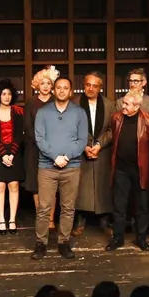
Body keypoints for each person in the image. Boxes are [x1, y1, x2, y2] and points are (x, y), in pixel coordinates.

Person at [33, 77, 88, 260]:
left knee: (68, 207)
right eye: (58, 87)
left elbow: (82, 140)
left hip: (71, 167)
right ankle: (41, 243)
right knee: (44, 207)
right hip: (47, 167)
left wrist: (66, 157)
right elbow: (40, 139)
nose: (62, 90)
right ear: (53, 90)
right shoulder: (43, 112)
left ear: (70, 92)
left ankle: (64, 242)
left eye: (65, 88)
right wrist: (54, 157)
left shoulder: (79, 113)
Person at [106, 92, 149, 252]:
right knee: (119, 205)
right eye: (123, 103)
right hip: (121, 169)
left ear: (137, 106)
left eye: (127, 104)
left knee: (141, 206)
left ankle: (141, 238)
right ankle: (118, 238)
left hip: (140, 170)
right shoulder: (116, 118)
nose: (123, 106)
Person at [72, 72, 114, 236]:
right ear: (84, 85)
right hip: (80, 151)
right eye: (88, 85)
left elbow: (112, 129)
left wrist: (98, 145)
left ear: (100, 88)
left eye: (94, 86)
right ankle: (79, 220)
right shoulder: (74, 103)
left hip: (102, 151)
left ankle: (104, 220)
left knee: (103, 187)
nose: (90, 88)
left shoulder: (109, 104)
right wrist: (84, 146)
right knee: (80, 188)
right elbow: (70, 128)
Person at [0, 80, 25, 234]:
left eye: (9, 94)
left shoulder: (18, 111)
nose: (7, 97)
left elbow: (19, 134)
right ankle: (2, 219)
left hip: (15, 151)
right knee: (0, 186)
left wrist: (11, 154)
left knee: (14, 185)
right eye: (3, 94)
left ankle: (12, 220)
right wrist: (3, 155)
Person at [24, 66, 58, 229]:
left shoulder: (56, 101)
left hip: (53, 149)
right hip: (34, 149)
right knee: (36, 185)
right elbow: (28, 126)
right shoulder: (31, 102)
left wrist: (51, 145)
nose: (45, 86)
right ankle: (41, 218)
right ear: (37, 84)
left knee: (52, 186)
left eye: (48, 83)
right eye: (42, 83)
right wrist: (40, 143)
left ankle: (50, 220)